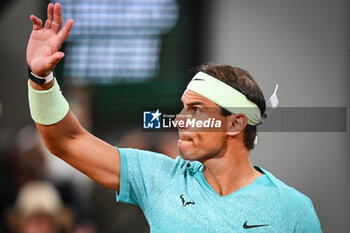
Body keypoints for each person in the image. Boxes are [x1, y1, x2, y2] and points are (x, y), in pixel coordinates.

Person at [26, 3, 322, 232]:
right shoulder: (160, 178)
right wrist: (42, 78)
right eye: (182, 108)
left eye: (195, 110)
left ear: (235, 123)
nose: (180, 120)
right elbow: (67, 140)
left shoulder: (292, 209)